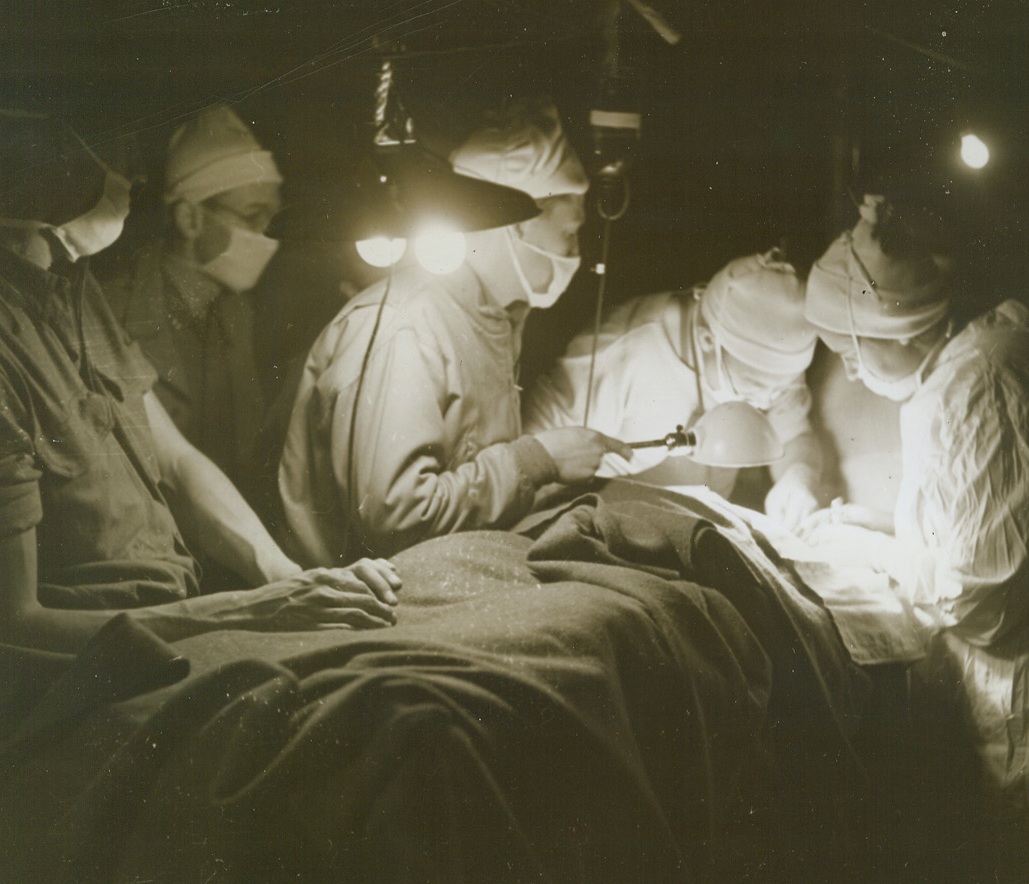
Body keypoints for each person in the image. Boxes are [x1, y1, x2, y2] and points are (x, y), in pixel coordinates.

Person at [798, 192, 1029, 884]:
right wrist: (889, 527)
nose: (849, 367)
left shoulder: (981, 386)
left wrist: (879, 555)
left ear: (896, 328)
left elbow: (983, 593)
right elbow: (1002, 522)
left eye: (850, 348)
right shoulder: (983, 355)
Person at [0, 110, 401, 653]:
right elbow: (16, 626)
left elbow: (178, 461)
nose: (135, 178)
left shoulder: (73, 289)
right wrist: (256, 610)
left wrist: (288, 578)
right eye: (113, 158)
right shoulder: (14, 339)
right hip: (114, 657)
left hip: (188, 605)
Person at [278, 101, 629, 567]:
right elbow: (396, 520)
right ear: (513, 225)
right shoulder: (408, 329)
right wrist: (537, 460)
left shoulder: (492, 321)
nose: (576, 253)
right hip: (362, 591)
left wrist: (552, 470)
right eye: (569, 234)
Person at [523, 249, 824, 524]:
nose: (767, 400)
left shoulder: (771, 365)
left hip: (701, 519)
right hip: (604, 512)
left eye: (779, 388)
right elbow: (533, 463)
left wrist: (799, 476)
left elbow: (794, 433)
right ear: (708, 342)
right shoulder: (623, 360)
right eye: (755, 386)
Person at [100, 106, 281, 501]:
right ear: (190, 219)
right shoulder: (111, 313)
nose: (264, 236)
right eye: (252, 217)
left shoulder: (238, 311)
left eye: (269, 220)